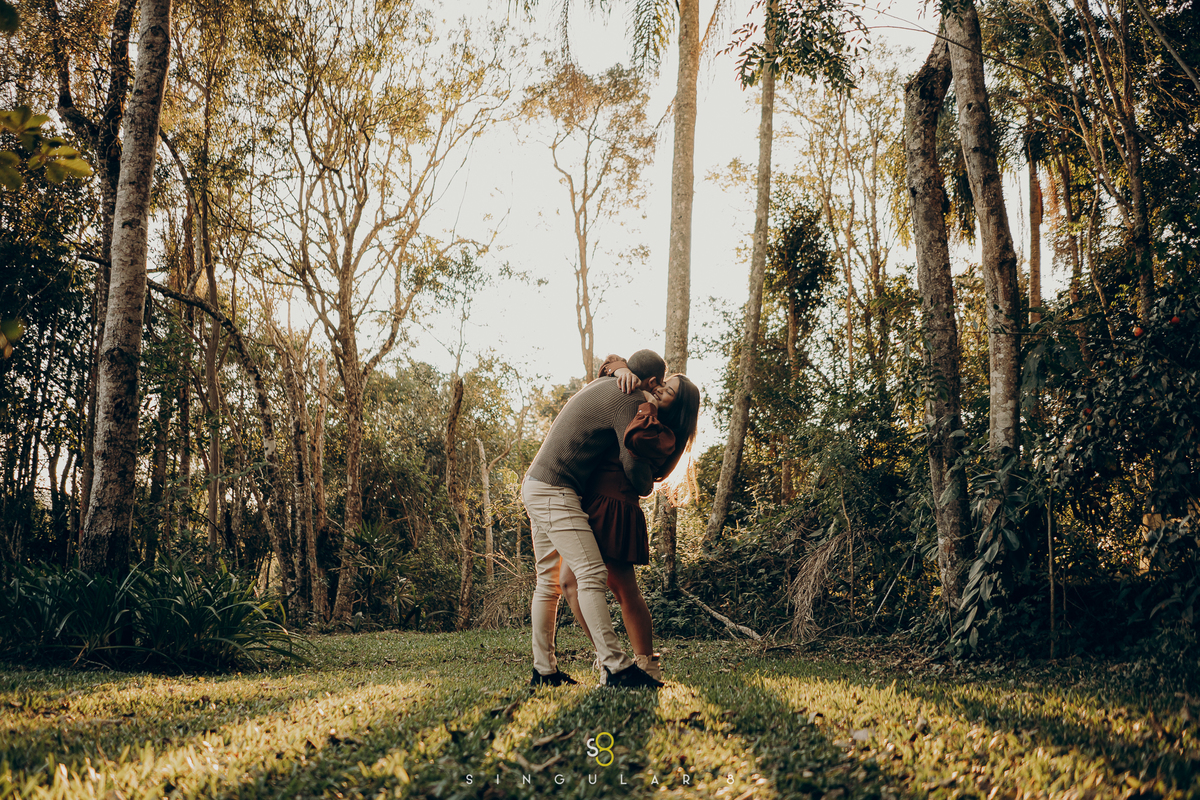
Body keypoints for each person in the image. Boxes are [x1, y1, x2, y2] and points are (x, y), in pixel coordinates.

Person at [521, 349, 670, 689]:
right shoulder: (630, 397)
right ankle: (617, 667)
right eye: (660, 386)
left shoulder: (604, 381)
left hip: (535, 483)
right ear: (653, 381)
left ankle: (544, 671)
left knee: (549, 582)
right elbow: (630, 460)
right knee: (591, 572)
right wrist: (647, 482)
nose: (659, 393)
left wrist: (615, 367)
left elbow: (612, 362)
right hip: (557, 489)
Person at [559, 368, 700, 683]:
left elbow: (634, 437)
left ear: (678, 406)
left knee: (623, 587)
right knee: (569, 584)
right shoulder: (646, 414)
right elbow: (611, 374)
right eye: (662, 384)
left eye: (669, 391)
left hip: (615, 505)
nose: (660, 389)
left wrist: (646, 401)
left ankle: (646, 662)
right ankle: (608, 657)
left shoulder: (663, 434)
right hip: (593, 501)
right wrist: (619, 367)